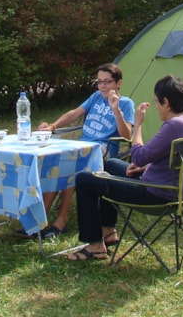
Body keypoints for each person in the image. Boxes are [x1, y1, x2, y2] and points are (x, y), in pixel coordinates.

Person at [66, 74, 183, 261]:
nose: (155, 105)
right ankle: (108, 231)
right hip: (180, 190)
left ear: (166, 102)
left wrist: (138, 124)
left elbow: (138, 156)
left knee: (84, 179)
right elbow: (168, 158)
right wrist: (148, 167)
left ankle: (94, 246)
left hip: (156, 194)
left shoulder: (173, 126)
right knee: (110, 164)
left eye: (156, 101)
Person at [25, 63, 135, 240]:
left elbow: (127, 135)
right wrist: (53, 126)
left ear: (118, 83)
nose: (103, 86)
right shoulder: (96, 97)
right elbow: (74, 113)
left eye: (107, 82)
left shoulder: (126, 103)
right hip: (81, 146)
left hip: (102, 148)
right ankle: (38, 219)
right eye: (99, 82)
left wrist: (116, 111)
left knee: (72, 166)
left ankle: (61, 221)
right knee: (55, 162)